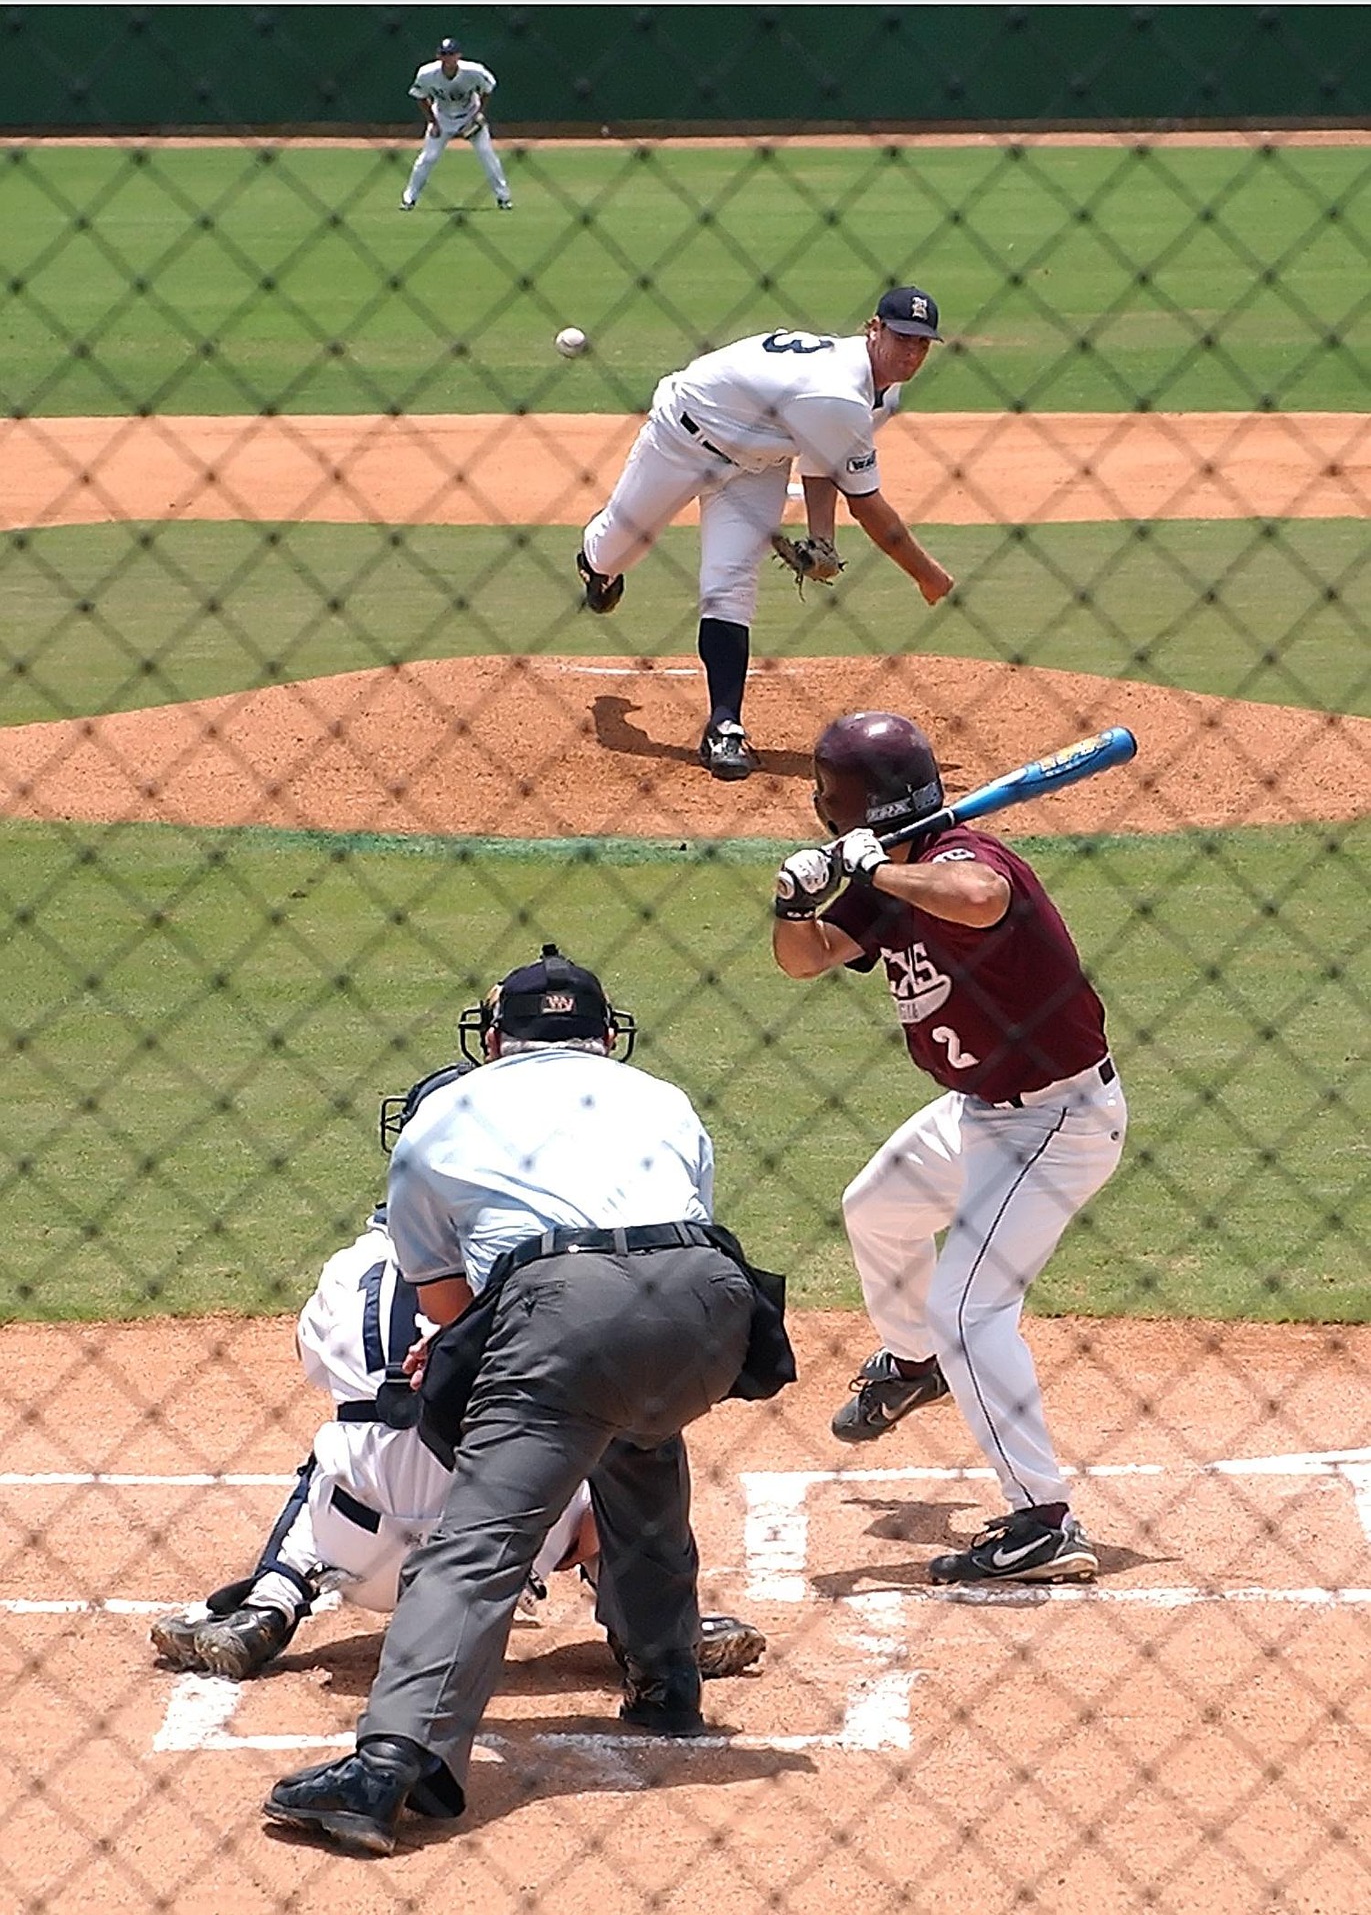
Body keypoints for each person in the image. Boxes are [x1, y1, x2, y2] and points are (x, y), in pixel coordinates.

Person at [264, 945, 792, 1855]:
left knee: (476, 1547)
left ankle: (387, 1763)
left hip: (566, 1312)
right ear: (604, 1036)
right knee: (641, 1435)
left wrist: (522, 1383)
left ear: (497, 1037)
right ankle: (665, 1681)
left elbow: (443, 1302)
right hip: (714, 1308)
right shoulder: (660, 1096)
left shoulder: (444, 1113)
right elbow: (674, 1230)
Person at [151, 1064, 763, 1685]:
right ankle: (653, 1637)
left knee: (335, 1449)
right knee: (600, 1435)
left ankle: (267, 1605)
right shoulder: (518, 1262)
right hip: (509, 1537)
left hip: (358, 1540)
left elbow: (315, 1359)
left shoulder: (348, 1266)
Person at [771, 712, 1127, 1585]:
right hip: (978, 1115)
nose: (817, 806)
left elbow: (978, 900)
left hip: (1056, 1120)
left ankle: (1042, 1519)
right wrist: (793, 901)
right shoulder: (894, 875)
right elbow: (803, 959)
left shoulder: (969, 859)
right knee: (876, 1209)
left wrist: (877, 867)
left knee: (969, 1307)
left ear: (856, 802)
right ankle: (913, 1363)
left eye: (826, 795)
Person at [576, 287, 955, 782]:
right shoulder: (837, 393)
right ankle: (593, 562)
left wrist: (823, 540)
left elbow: (824, 463)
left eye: (922, 343)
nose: (911, 352)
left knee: (730, 583)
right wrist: (927, 575)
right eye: (902, 337)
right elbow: (866, 506)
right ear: (874, 328)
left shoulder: (878, 394)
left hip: (759, 465)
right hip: (684, 436)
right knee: (618, 549)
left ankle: (724, 726)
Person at [400, 36, 512, 213]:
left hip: (469, 115)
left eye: (451, 54)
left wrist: (479, 115)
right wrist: (433, 122)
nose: (448, 58)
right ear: (438, 56)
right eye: (444, 54)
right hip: (442, 117)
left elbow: (488, 89)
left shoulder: (474, 71)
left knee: (486, 154)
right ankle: (409, 198)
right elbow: (420, 97)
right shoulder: (427, 73)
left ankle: (503, 198)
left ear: (459, 55)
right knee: (428, 158)